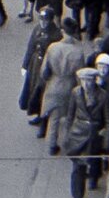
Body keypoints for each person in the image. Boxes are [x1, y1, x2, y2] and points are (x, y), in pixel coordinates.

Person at [39, 17, 91, 155]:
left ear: (63, 31)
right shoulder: (78, 51)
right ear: (74, 31)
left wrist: (48, 80)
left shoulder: (53, 48)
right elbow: (80, 74)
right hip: (69, 86)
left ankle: (52, 145)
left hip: (54, 84)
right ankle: (67, 144)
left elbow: (44, 71)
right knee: (69, 117)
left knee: (54, 118)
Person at [64, 67, 109, 198]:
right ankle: (78, 197)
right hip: (78, 134)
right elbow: (70, 115)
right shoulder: (75, 93)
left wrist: (108, 140)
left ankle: (93, 178)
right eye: (83, 81)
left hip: (95, 134)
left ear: (94, 80)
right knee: (78, 167)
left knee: (94, 160)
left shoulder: (103, 96)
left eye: (89, 81)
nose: (86, 84)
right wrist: (67, 135)